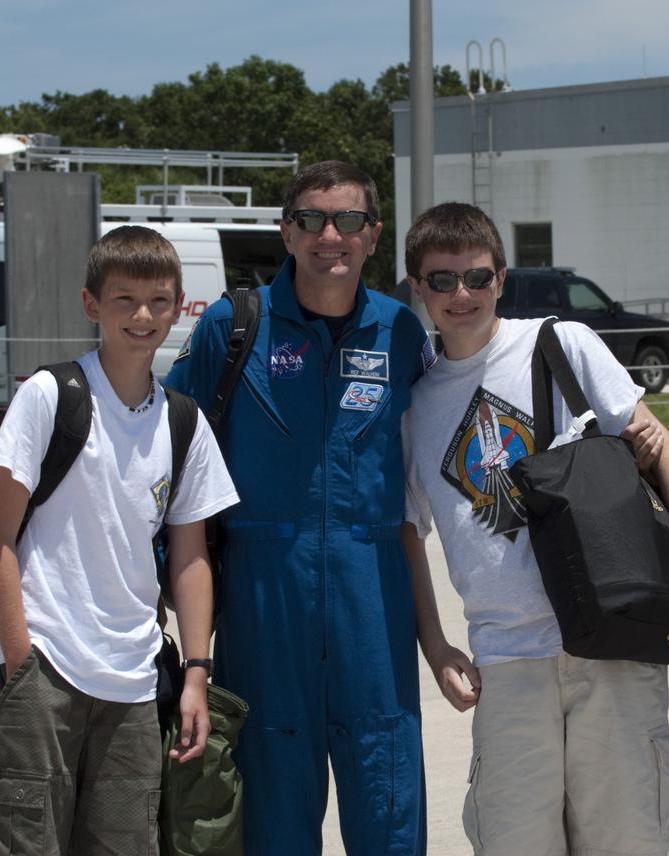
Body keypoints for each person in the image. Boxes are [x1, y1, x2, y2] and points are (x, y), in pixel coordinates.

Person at [400, 202, 669, 856]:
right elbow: (408, 529)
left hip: (612, 641)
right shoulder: (415, 403)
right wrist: (434, 644)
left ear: (502, 278)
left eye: (477, 277)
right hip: (506, 663)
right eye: (442, 280)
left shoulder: (560, 344)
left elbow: (656, 447)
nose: (462, 294)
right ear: (416, 287)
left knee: (628, 839)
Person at [165, 161, 435, 855]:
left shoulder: (402, 334)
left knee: (388, 795)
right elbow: (163, 438)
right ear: (287, 231)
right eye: (312, 219)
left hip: (372, 598)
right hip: (262, 598)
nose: (330, 236)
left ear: (373, 235)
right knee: (271, 815)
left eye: (348, 221)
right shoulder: (235, 326)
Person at [0, 225, 238, 854]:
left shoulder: (183, 421)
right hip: (44, 666)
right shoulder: (50, 395)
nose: (142, 315)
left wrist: (196, 674)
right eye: (123, 299)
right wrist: (20, 663)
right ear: (93, 305)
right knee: (24, 844)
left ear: (180, 308)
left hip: (133, 679)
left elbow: (190, 556)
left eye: (158, 300)